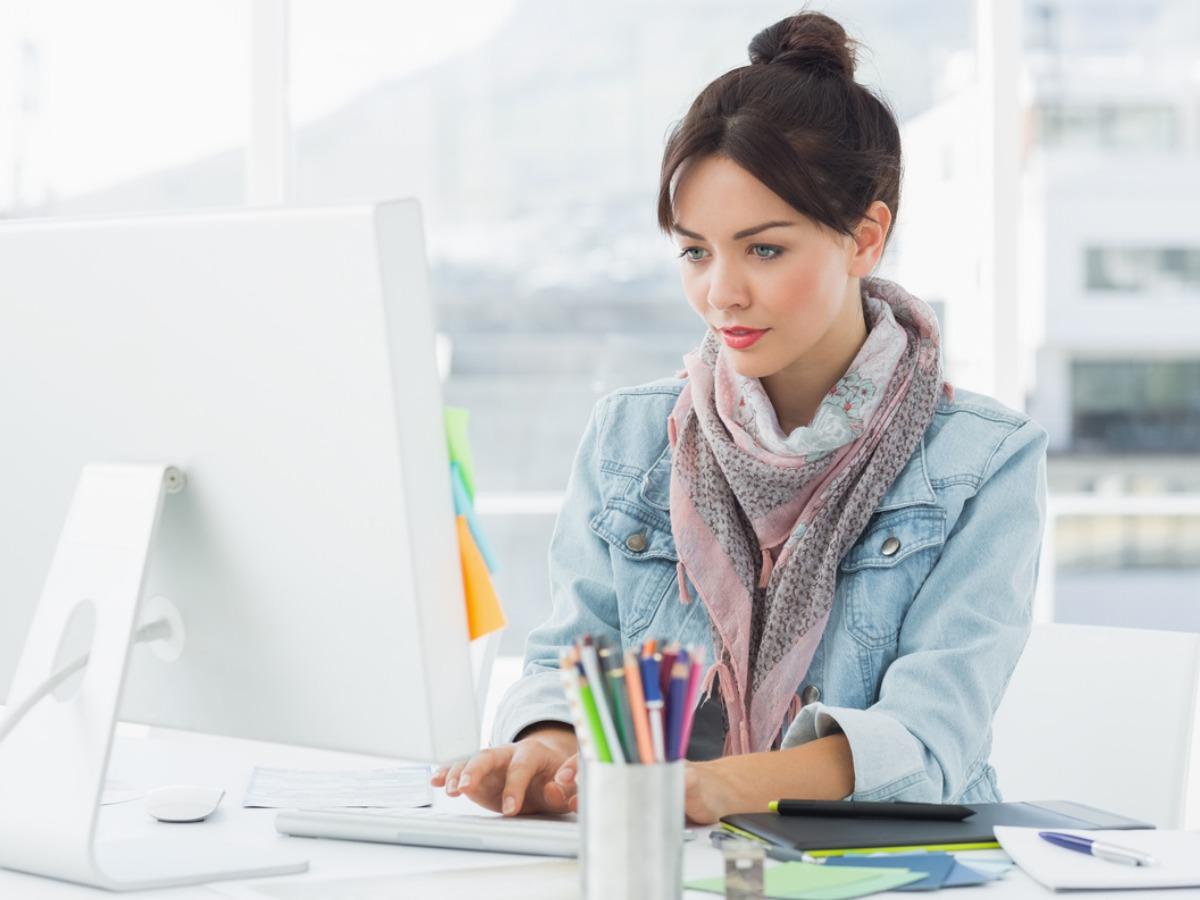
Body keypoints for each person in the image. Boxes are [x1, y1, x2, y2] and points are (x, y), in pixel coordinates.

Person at [431, 9, 1047, 826]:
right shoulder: (630, 438)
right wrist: (547, 746)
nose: (721, 292)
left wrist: (720, 786)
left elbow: (931, 741)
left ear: (866, 237)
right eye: (695, 251)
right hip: (668, 862)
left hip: (891, 869)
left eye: (763, 249)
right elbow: (570, 659)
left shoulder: (984, 462)